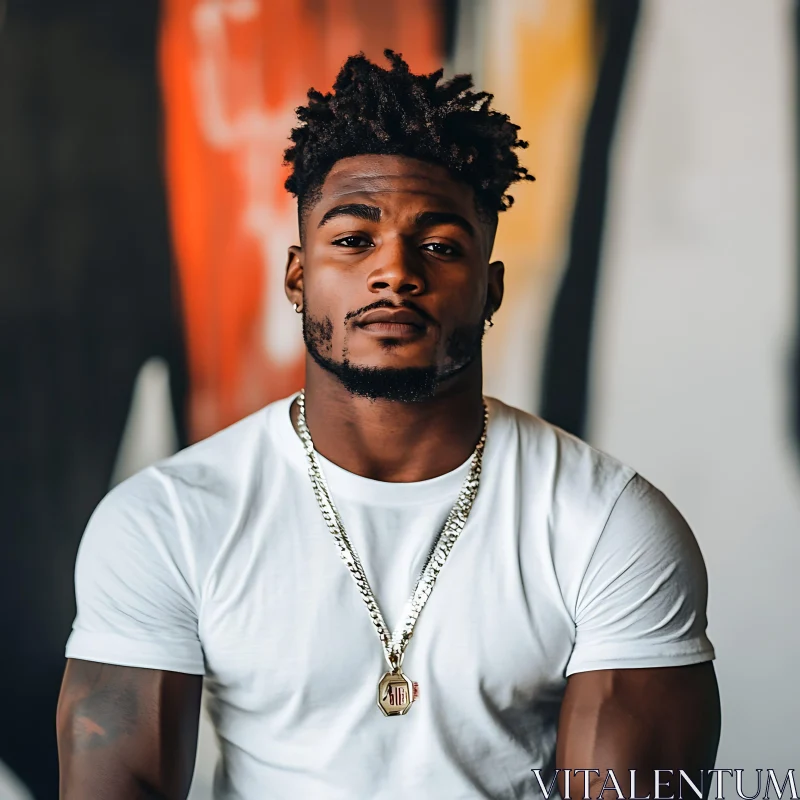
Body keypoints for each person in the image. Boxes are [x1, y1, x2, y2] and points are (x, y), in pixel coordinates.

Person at [57, 50, 720, 799]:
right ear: (298, 277)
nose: (395, 271)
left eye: (439, 246)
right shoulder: (169, 518)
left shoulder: (606, 523)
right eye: (352, 239)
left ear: (491, 288)